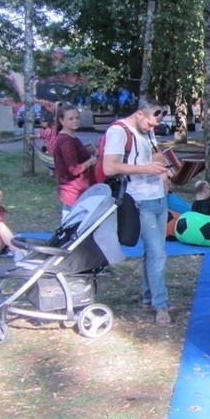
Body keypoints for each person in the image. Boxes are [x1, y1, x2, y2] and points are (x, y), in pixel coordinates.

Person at [102, 100, 172, 325]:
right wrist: (146, 169)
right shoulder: (118, 132)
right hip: (139, 200)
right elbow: (109, 167)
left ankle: (148, 297)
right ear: (140, 114)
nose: (152, 129)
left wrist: (164, 175)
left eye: (155, 126)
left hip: (158, 197)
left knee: (153, 252)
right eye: (150, 124)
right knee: (157, 254)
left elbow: (156, 154)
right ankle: (161, 304)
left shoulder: (147, 131)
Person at [52, 104, 96, 219]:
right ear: (61, 120)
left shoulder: (70, 138)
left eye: (77, 118)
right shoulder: (66, 140)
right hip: (74, 191)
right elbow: (74, 169)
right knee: (75, 224)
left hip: (76, 190)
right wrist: (91, 162)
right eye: (71, 119)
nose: (75, 121)